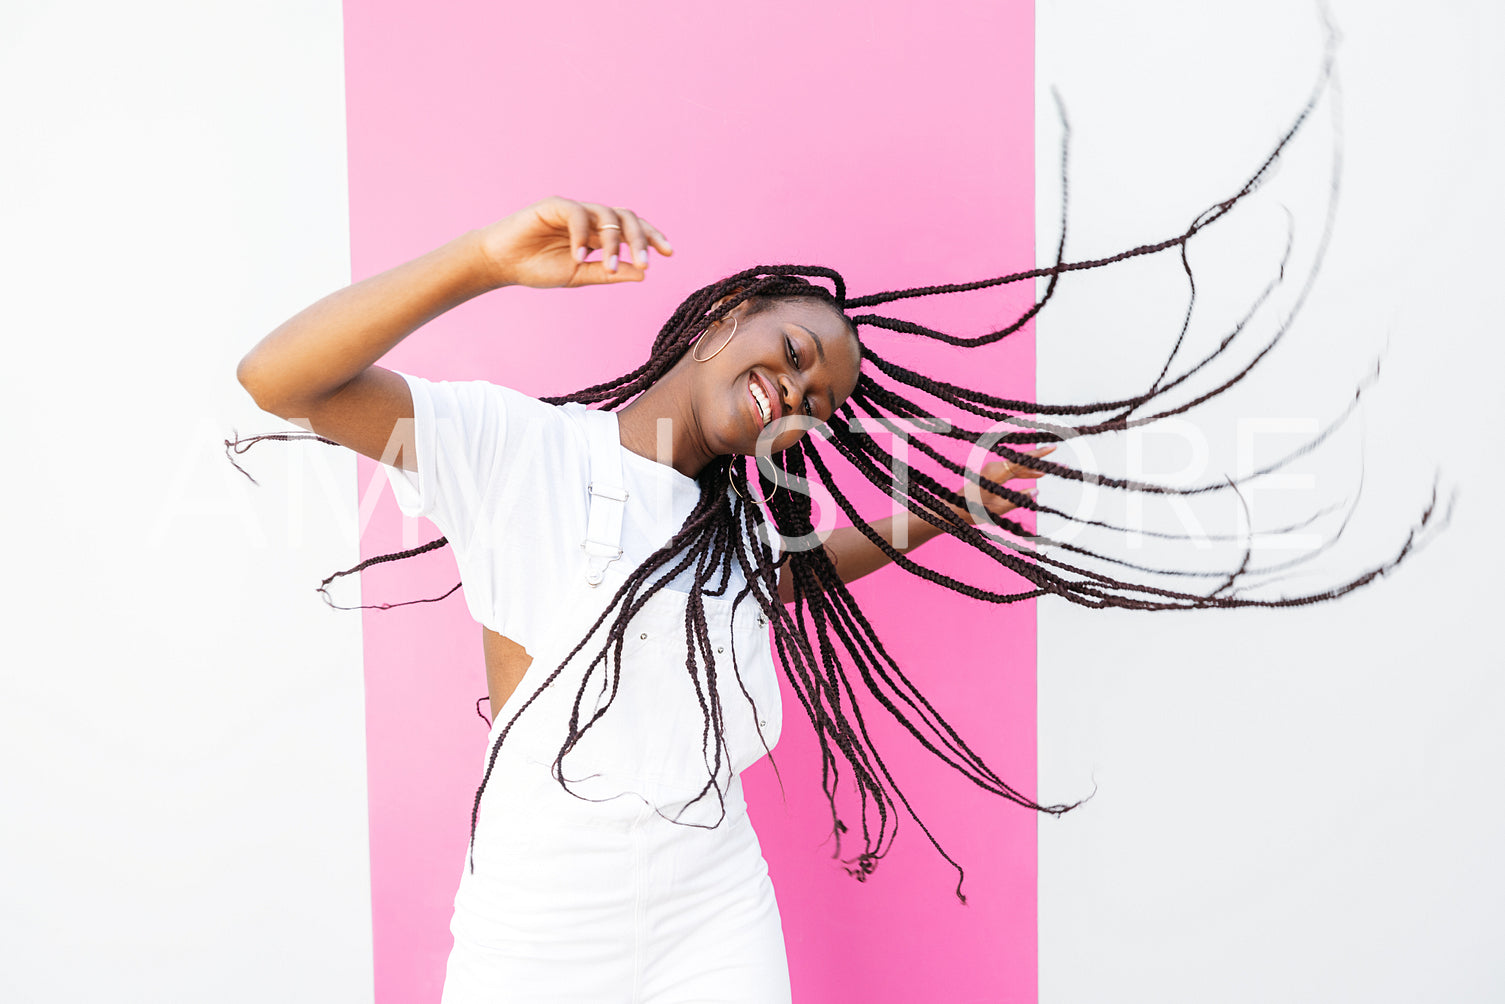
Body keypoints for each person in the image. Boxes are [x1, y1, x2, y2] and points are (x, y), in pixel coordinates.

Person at [231, 43, 1447, 1000]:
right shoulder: (511, 448)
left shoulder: (726, 537)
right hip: (540, 921)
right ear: (731, 313)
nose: (794, 393)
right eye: (794, 351)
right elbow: (279, 376)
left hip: (713, 905)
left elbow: (792, 576)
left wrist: (945, 508)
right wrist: (488, 259)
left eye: (815, 402)